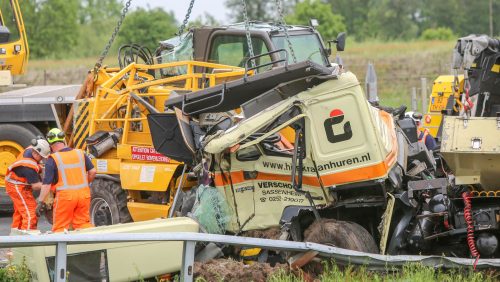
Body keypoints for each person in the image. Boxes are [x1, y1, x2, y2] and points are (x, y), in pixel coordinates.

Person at [37, 128, 96, 232]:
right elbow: (93, 172)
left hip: (65, 198)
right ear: (63, 140)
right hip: (84, 195)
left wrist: (40, 201)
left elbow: (46, 185)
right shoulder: (80, 153)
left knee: (60, 228)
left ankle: (62, 248)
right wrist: (84, 184)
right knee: (83, 225)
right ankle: (87, 247)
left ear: (50, 144)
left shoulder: (53, 159)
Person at [5, 138, 51, 230]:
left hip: (17, 183)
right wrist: (49, 186)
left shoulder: (31, 148)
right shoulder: (28, 167)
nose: (42, 159)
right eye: (41, 157)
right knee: (30, 212)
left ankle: (16, 234)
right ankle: (28, 235)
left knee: (21, 212)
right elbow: (36, 186)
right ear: (36, 153)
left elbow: (39, 166)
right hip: (16, 186)